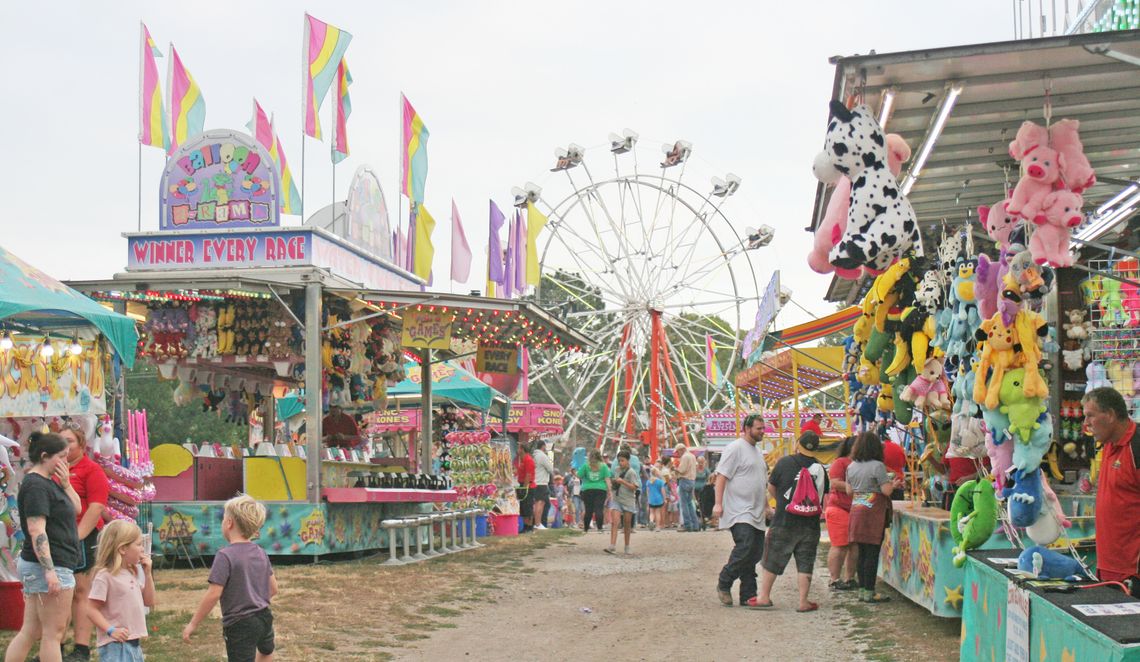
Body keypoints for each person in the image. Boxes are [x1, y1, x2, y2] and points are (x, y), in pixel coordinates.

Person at [5, 432, 81, 662]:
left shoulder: (49, 483)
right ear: (45, 456)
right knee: (53, 633)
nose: (65, 462)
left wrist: (67, 484)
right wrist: (49, 571)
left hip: (50, 564)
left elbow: (76, 509)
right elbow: (37, 529)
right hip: (50, 565)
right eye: (61, 456)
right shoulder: (37, 486)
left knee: (33, 630)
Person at [183, 495, 279, 662]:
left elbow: (213, 594)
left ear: (229, 523)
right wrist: (254, 601)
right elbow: (273, 589)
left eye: (223, 519)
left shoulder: (224, 555)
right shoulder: (261, 552)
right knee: (266, 651)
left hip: (239, 624)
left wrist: (193, 623)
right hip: (264, 617)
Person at [756, 431, 828, 612]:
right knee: (806, 560)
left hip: (784, 520)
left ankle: (764, 597)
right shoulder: (820, 468)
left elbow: (771, 486)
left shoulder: (784, 462)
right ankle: (803, 601)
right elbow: (822, 496)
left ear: (798, 444)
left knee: (773, 556)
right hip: (810, 524)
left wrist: (782, 502)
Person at [1082, 387, 1140, 597]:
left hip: (1133, 575)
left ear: (1112, 415)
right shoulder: (1106, 444)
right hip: (1108, 568)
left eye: (1091, 416)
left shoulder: (1137, 446)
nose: (1086, 424)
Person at [60, 420, 110, 662]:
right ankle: (55, 645)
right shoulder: (53, 469)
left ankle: (81, 649)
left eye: (69, 441)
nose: (65, 447)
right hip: (58, 537)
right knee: (60, 592)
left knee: (81, 591)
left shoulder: (92, 470)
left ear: (81, 444)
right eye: (61, 442)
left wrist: (78, 535)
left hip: (82, 535)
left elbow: (97, 506)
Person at [713, 413, 770, 609]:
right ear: (747, 428)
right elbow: (722, 476)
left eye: (763, 428)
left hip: (756, 510)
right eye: (758, 428)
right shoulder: (735, 448)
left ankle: (748, 594)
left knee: (755, 552)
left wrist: (767, 506)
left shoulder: (758, 453)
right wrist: (718, 504)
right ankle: (724, 580)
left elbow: (761, 482)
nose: (762, 432)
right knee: (745, 546)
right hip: (739, 509)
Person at [86, 520, 156, 662]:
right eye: (138, 544)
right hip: (116, 646)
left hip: (134, 645)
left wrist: (148, 574)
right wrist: (111, 630)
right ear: (122, 549)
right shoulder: (105, 576)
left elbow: (149, 601)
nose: (142, 549)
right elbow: (91, 609)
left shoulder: (130, 573)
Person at [846, 432, 899, 603]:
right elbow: (886, 491)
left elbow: (848, 491)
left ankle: (862, 590)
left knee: (861, 552)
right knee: (872, 552)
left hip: (856, 510)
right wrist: (894, 484)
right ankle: (870, 591)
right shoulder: (878, 466)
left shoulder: (851, 466)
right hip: (873, 513)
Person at [825, 436, 859, 590]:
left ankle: (850, 578)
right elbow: (834, 483)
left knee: (853, 545)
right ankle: (834, 579)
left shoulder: (860, 463)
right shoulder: (840, 462)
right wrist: (855, 486)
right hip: (839, 508)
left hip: (854, 509)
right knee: (840, 545)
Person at [605, 450, 638, 555]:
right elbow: (614, 481)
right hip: (617, 499)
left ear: (628, 460)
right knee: (615, 521)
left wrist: (623, 482)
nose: (620, 463)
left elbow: (634, 487)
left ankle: (627, 546)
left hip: (628, 500)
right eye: (619, 461)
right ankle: (612, 545)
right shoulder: (616, 470)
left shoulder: (632, 472)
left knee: (627, 524)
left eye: (622, 460)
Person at [579, 451, 610, 532]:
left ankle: (585, 529)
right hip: (601, 489)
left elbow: (579, 475)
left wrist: (584, 476)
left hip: (587, 489)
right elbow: (607, 479)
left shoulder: (586, 465)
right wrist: (609, 491)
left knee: (588, 510)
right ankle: (599, 528)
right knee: (599, 509)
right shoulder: (604, 466)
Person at [673, 444, 699, 532]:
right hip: (692, 481)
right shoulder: (692, 456)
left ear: (681, 449)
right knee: (689, 503)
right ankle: (695, 525)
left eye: (678, 451)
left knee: (683, 504)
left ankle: (687, 525)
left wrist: (675, 469)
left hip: (684, 480)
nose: (677, 454)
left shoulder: (685, 457)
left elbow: (682, 470)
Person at [532, 440, 554, 530]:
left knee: (539, 503)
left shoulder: (534, 455)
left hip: (535, 482)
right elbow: (550, 469)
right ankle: (538, 524)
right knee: (540, 503)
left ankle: (536, 523)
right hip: (541, 482)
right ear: (543, 446)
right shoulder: (542, 456)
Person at [515, 443, 536, 532]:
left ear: (522, 449)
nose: (517, 450)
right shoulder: (522, 460)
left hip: (528, 486)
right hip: (522, 485)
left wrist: (524, 488)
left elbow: (528, 474)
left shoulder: (528, 459)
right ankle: (525, 526)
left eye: (518, 448)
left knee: (528, 506)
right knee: (523, 507)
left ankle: (530, 526)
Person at [881, 431, 907, 500]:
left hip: (886, 483)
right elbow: (904, 463)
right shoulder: (898, 447)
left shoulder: (880, 449)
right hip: (899, 481)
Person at [695, 455, 714, 530]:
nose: (700, 463)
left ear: (704, 462)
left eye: (701, 462)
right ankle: (699, 521)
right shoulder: (695, 469)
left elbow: (711, 477)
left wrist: (708, 483)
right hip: (695, 490)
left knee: (703, 506)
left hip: (704, 491)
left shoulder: (706, 470)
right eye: (699, 462)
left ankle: (704, 520)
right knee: (697, 506)